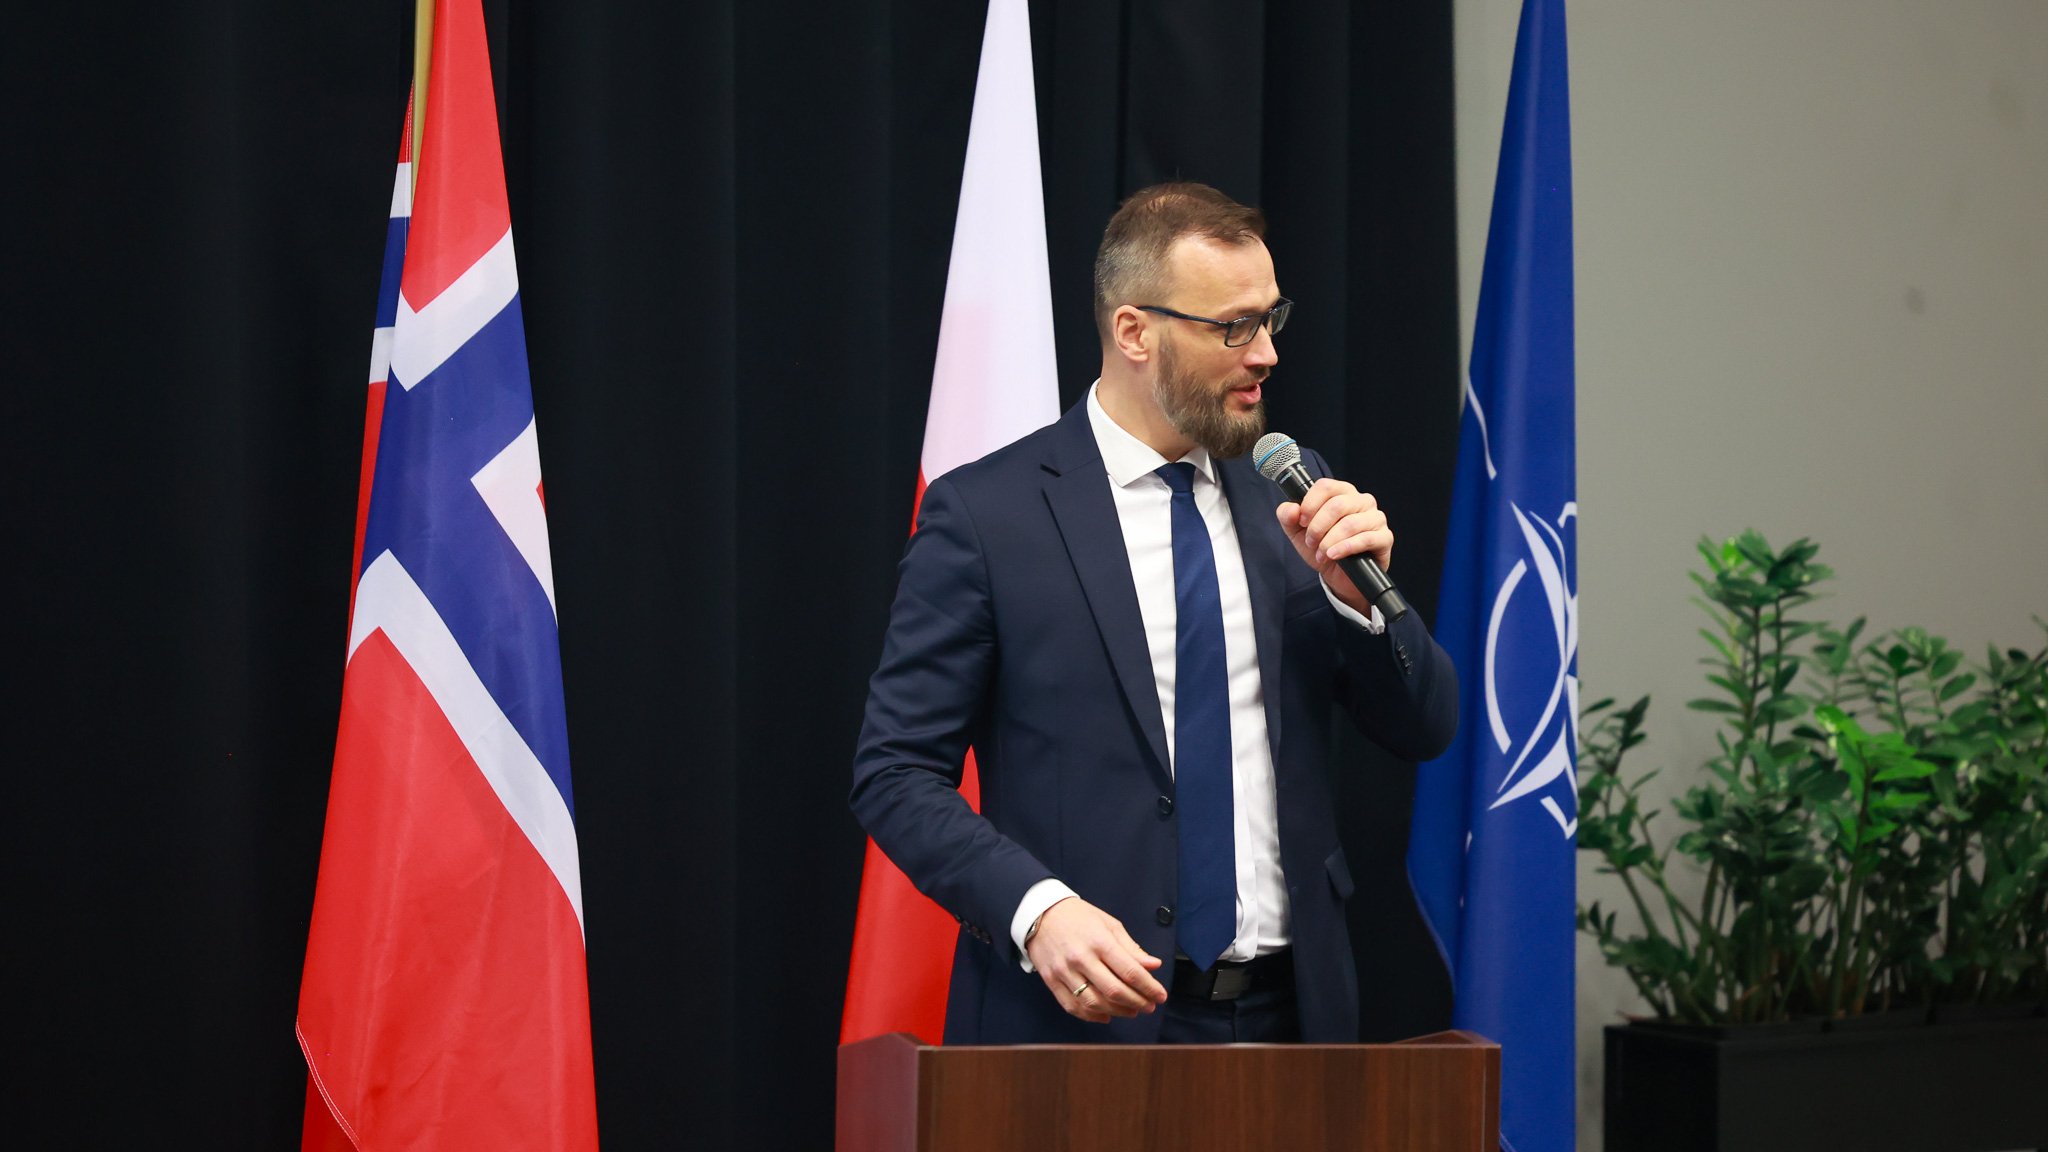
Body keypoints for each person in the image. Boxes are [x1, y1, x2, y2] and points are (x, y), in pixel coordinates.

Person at [850, 182, 1457, 1044]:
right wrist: (1036, 910)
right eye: (1234, 327)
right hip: (1077, 1025)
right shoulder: (988, 517)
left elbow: (1426, 726)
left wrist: (1362, 607)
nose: (1266, 354)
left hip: (1294, 1019)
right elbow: (896, 772)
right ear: (1135, 332)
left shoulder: (1292, 490)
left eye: (1271, 318)